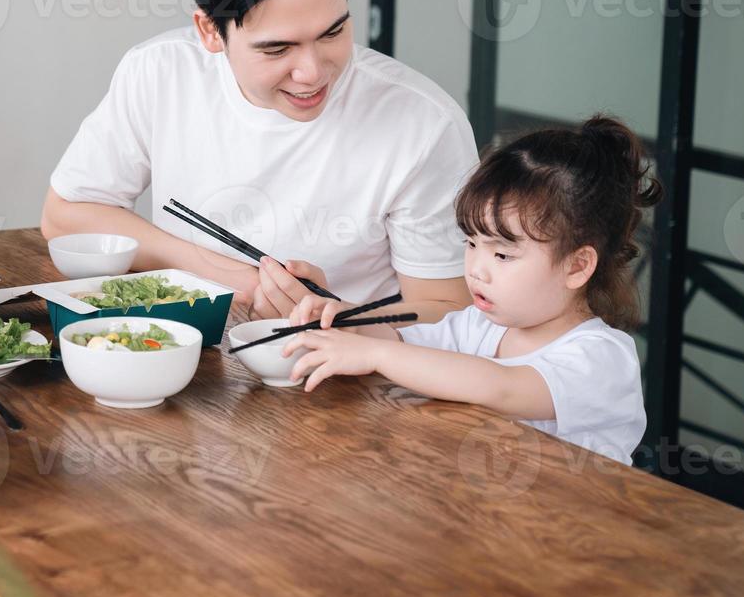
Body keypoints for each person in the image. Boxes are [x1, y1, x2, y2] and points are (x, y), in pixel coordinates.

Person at [41, 0, 477, 325]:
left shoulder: (423, 123)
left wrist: (341, 318)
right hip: (190, 350)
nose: (312, 72)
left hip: (350, 377)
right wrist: (239, 279)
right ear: (210, 31)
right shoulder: (160, 73)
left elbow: (448, 310)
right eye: (277, 49)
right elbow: (66, 216)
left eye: (332, 33)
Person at [282, 115, 662, 465]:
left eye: (502, 254)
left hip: (577, 525)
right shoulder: (481, 326)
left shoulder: (602, 360)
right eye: (471, 243)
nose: (477, 269)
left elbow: (500, 387)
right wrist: (345, 316)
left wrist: (374, 354)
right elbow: (402, 343)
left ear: (577, 266)